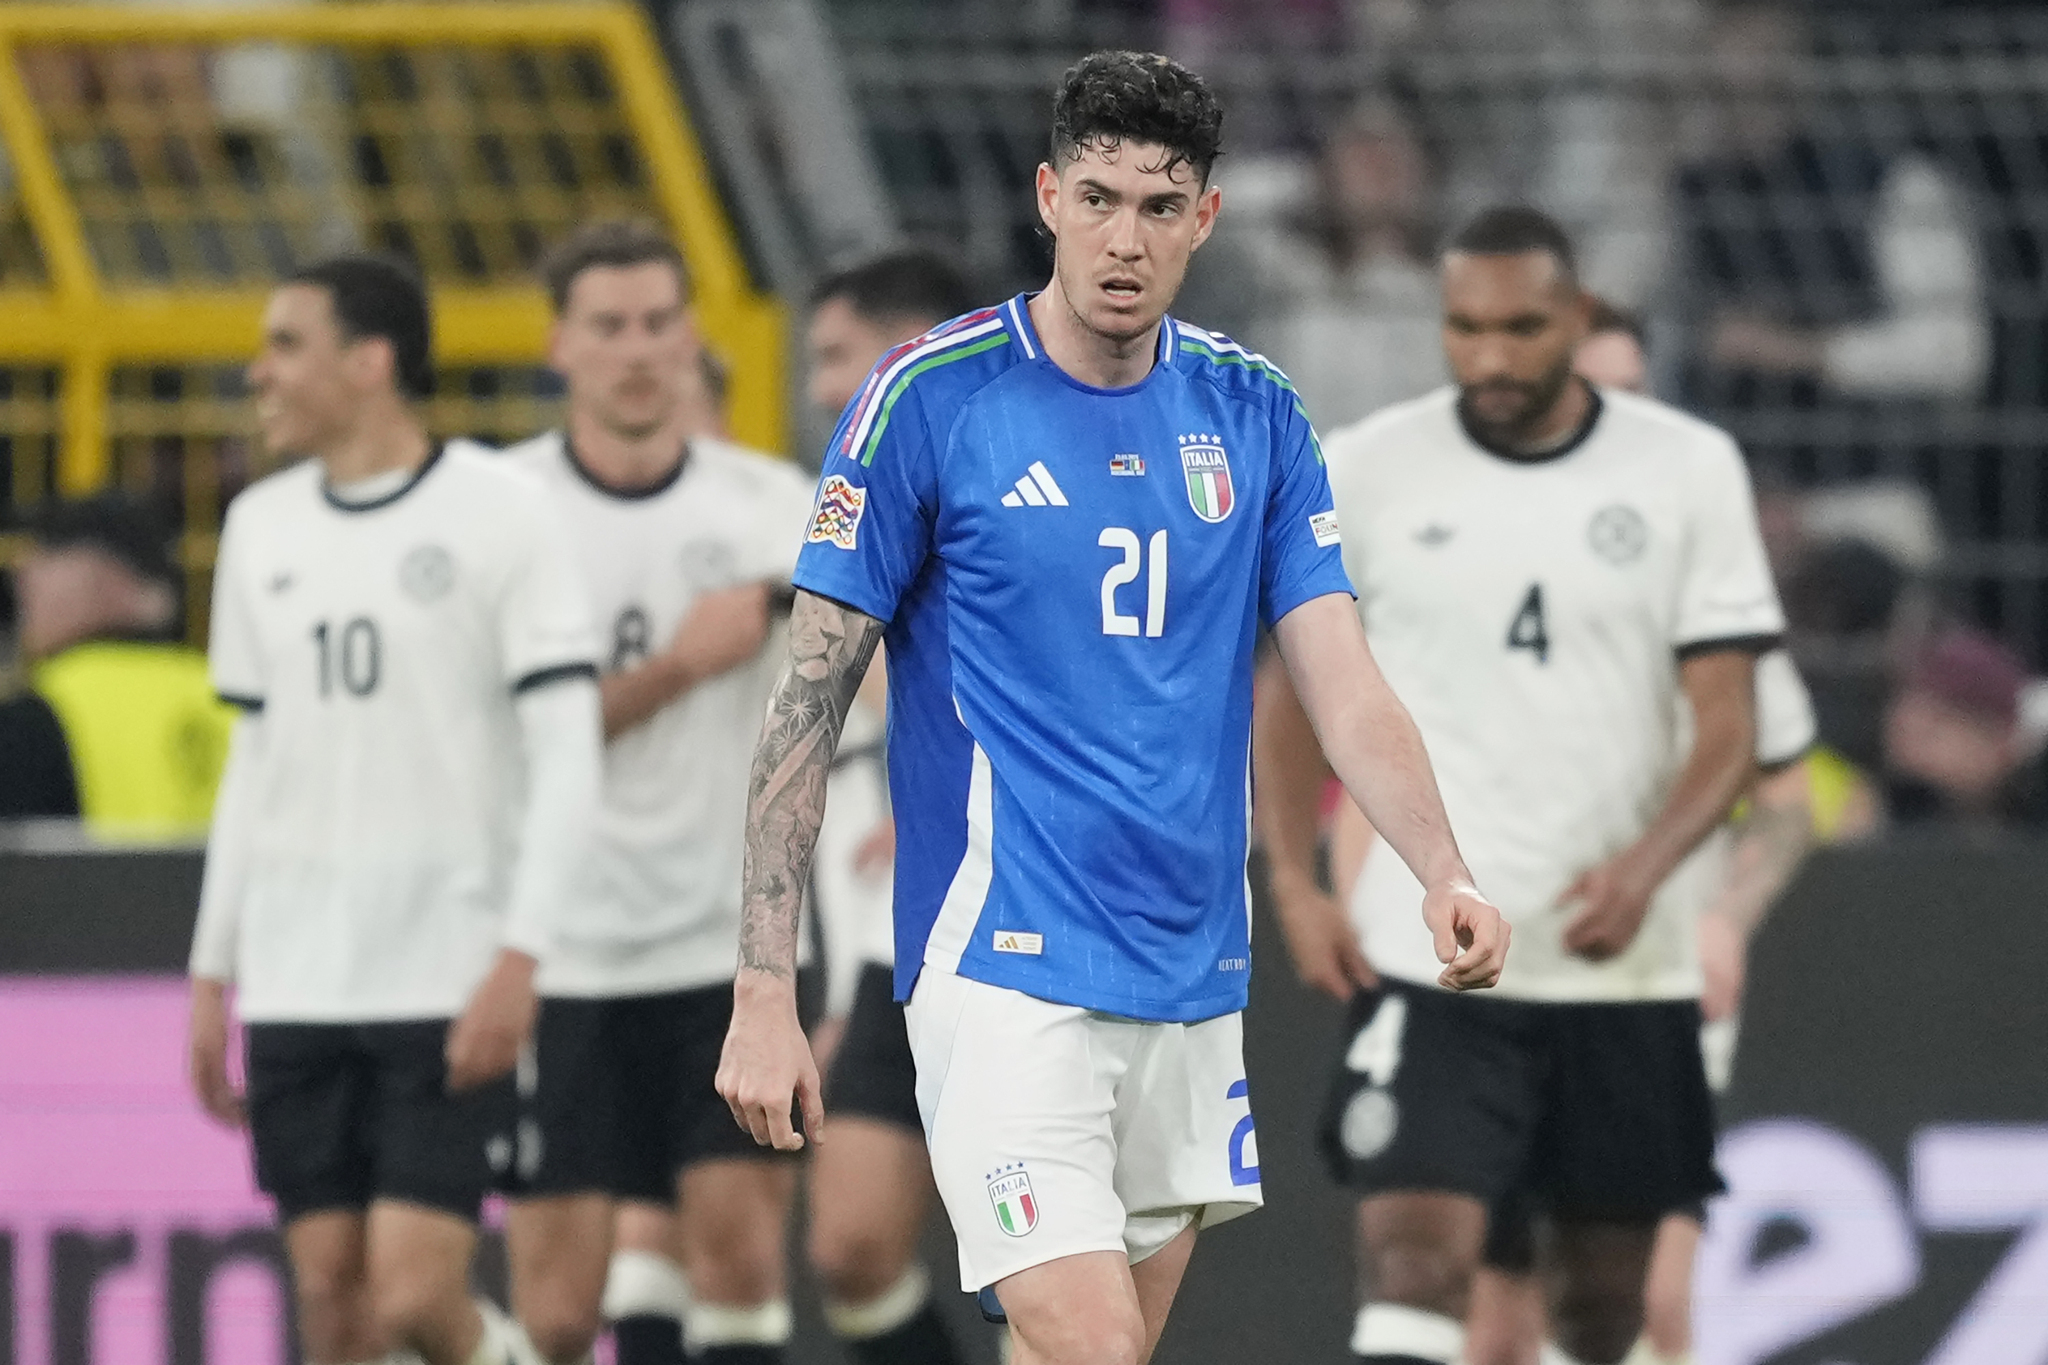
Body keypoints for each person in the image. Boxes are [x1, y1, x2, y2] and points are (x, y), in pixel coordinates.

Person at [717, 50, 1508, 1365]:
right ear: (1047, 198)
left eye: (1157, 206)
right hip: (1001, 961)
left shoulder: (1254, 414)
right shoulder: (931, 399)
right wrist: (762, 985)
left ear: (1206, 217)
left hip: (1190, 975)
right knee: (1093, 1346)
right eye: (1096, 200)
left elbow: (1343, 679)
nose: (1123, 240)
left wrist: (1442, 867)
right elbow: (806, 697)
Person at [1254, 207, 1784, 1365]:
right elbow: (1293, 690)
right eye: (1464, 329)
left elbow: (1730, 725)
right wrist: (1291, 880)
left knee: (1600, 1312)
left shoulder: (1684, 470)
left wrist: (1646, 874)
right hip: (1431, 954)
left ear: (1576, 318)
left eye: (1521, 329)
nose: (1488, 356)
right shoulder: (1367, 464)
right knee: (1410, 1263)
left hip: (1621, 963)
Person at [184, 253, 604, 1365]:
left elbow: (568, 754)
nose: (258, 373)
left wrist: (521, 955)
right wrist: (213, 969)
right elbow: (254, 762)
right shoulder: (259, 527)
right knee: (331, 1301)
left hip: (445, 974)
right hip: (299, 974)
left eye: (285, 345)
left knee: (416, 1297)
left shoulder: (502, 512)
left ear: (370, 362)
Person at [491, 220, 820, 1365]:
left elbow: (852, 689)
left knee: (738, 1260)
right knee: (553, 1313)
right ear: (559, 346)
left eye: (656, 323)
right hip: (562, 953)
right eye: (608, 326)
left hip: (723, 951)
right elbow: (498, 739)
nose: (636, 350)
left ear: (690, 337)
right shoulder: (503, 510)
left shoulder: (771, 506)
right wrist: (680, 667)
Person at [800, 246, 979, 1365]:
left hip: (1034, 935)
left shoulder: (1019, 491)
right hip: (892, 951)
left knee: (1045, 1272)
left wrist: (960, 799)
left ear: (910, 352)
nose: (821, 386)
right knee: (851, 1250)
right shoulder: (842, 513)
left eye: (838, 355)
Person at [0, 493, 235, 833]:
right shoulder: (228, 692)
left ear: (109, 578)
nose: (25, 576)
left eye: (49, 553)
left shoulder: (37, 714)